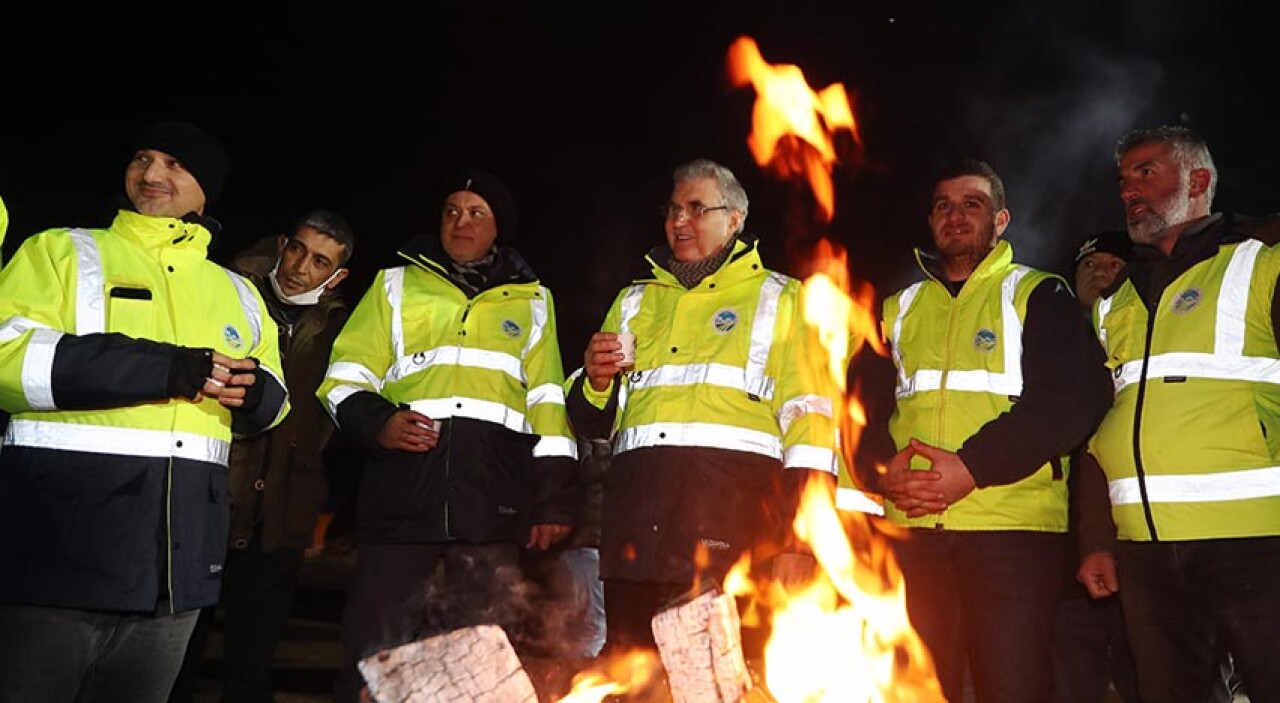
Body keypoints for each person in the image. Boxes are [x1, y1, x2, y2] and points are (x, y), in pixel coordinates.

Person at [0, 120, 289, 703]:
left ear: (206, 188)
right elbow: (7, 358)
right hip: (58, 559)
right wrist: (165, 367)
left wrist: (254, 394)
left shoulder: (239, 291)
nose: (152, 174)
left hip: (177, 575)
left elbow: (277, 400)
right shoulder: (59, 249)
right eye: (142, 158)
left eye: (176, 164)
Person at [852, 159, 1113, 703]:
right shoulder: (896, 308)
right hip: (912, 534)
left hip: (1012, 536)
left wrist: (971, 467)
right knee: (915, 691)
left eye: (972, 204)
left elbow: (1069, 402)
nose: (956, 216)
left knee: (1011, 689)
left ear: (1000, 219)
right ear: (930, 221)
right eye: (944, 206)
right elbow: (859, 408)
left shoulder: (1040, 294)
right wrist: (881, 472)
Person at [317, 169, 579, 703]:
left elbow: (548, 404)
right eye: (451, 211)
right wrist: (379, 422)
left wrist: (553, 501)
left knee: (477, 662)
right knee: (374, 656)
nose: (461, 221)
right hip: (401, 499)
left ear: (498, 226)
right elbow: (341, 380)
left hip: (490, 508)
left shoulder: (533, 301)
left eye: (476, 211)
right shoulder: (395, 284)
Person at [566, 158, 843, 653]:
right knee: (630, 683)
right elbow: (591, 421)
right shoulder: (634, 300)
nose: (679, 221)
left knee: (721, 684)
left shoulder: (783, 299)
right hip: (635, 544)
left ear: (734, 220)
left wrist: (802, 542)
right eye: (673, 209)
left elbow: (813, 428)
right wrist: (596, 380)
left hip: (730, 545)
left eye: (696, 208)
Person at [1081, 124, 1280, 702]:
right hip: (1145, 552)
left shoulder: (1259, 268)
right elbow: (1100, 428)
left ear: (1198, 181)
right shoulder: (1114, 300)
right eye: (1123, 180)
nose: (1128, 190)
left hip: (1256, 542)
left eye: (1146, 172)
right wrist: (1097, 538)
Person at [169, 210, 355, 702]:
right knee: (175, 654)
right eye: (297, 249)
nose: (300, 267)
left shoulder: (344, 331)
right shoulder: (224, 290)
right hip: (209, 495)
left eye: (320, 261)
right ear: (282, 243)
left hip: (282, 510)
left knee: (251, 662)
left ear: (337, 276)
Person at [1052, 229, 1141, 703]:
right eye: (1089, 266)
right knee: (1070, 672)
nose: (1101, 273)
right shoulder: (1045, 346)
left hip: (1138, 533)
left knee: (1150, 670)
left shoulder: (1148, 337)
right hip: (1064, 538)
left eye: (1112, 264)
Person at [520, 436, 609, 659]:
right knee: (589, 625)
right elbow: (590, 469)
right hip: (582, 537)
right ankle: (576, 680)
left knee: (578, 624)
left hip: (585, 538)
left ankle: (573, 679)